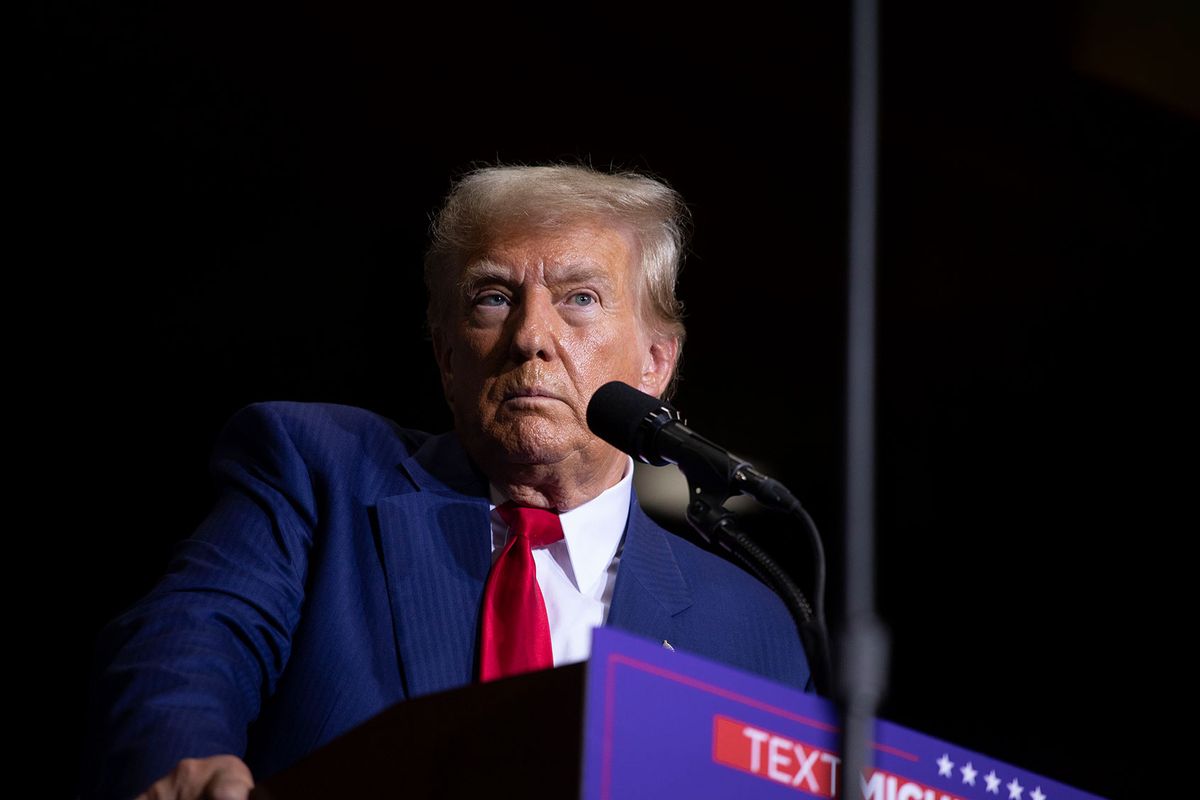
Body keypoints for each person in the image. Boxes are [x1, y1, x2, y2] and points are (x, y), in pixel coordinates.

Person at [79, 164, 813, 800]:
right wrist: (184, 764)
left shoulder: (751, 629)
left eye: (579, 298)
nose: (531, 335)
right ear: (446, 356)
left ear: (655, 362)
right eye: (493, 297)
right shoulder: (320, 475)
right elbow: (188, 644)